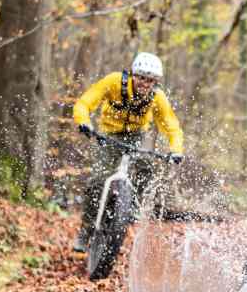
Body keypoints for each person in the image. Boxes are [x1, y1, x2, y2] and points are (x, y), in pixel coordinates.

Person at [71, 52, 185, 252]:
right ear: (133, 74)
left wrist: (176, 150)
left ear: (155, 82)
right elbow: (85, 102)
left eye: (150, 80)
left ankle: (129, 208)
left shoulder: (157, 97)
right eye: (141, 77)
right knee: (98, 182)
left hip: (136, 138)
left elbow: (171, 126)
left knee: (146, 167)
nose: (144, 83)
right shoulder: (114, 82)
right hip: (109, 135)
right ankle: (86, 230)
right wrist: (84, 122)